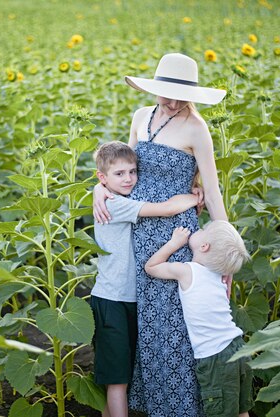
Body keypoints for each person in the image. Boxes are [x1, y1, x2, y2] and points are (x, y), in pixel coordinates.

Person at [93, 53, 230, 416]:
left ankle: (183, 408)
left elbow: (213, 192)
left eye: (179, 96)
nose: (171, 102)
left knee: (177, 323)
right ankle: (152, 405)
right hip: (138, 231)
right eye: (165, 93)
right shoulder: (141, 117)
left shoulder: (197, 129)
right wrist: (99, 190)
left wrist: (226, 245)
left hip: (178, 234)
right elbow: (121, 168)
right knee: (147, 326)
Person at [91, 141, 201, 417]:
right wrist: (195, 198)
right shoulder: (114, 204)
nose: (128, 178)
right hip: (112, 300)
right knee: (117, 380)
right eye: (119, 174)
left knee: (123, 373)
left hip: (131, 298)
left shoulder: (118, 197)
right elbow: (165, 209)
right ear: (102, 178)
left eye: (132, 171)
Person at [144, 221, 252, 417]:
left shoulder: (187, 271)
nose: (197, 229)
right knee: (241, 411)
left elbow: (150, 266)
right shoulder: (219, 276)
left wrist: (174, 243)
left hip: (216, 357)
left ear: (204, 246)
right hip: (238, 348)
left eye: (203, 230)